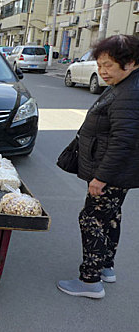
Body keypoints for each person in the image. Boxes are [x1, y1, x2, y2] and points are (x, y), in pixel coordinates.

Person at [57, 35, 139, 299]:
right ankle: (106, 267)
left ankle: (90, 281)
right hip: (118, 172)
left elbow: (123, 141)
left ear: (131, 63)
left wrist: (100, 178)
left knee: (90, 218)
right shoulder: (124, 85)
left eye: (108, 65)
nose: (102, 71)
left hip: (111, 173)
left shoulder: (130, 93)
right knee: (111, 217)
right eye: (100, 65)